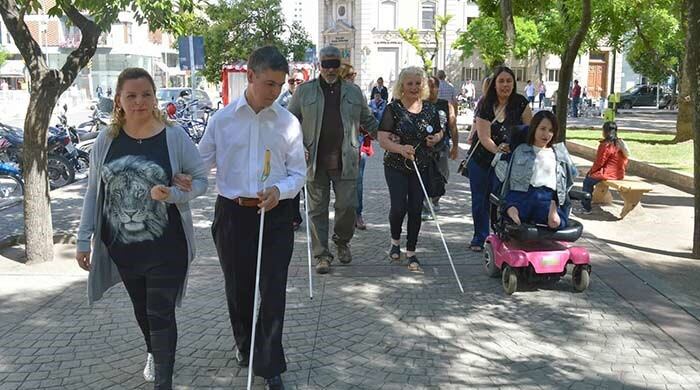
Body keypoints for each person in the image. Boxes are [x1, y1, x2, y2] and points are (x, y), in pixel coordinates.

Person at [76, 67, 208, 390]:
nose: (139, 102)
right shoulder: (106, 142)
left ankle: (164, 378)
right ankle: (154, 350)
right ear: (118, 100)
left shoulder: (173, 136)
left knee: (160, 310)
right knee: (142, 310)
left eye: (146, 94)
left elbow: (201, 180)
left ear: (155, 96)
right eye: (131, 96)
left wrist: (175, 193)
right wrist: (84, 239)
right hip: (123, 247)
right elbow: (94, 191)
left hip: (167, 245)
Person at [198, 46, 305, 390]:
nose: (275, 92)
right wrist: (178, 182)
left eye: (280, 85)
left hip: (275, 215)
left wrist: (280, 191)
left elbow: (299, 173)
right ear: (251, 75)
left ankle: (269, 362)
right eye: (269, 84)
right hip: (233, 215)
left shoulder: (289, 123)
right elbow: (199, 165)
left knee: (273, 291)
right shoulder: (222, 120)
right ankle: (245, 345)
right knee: (239, 290)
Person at [287, 45, 378, 274]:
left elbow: (369, 120)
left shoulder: (354, 92)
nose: (329, 69)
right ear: (319, 65)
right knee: (316, 210)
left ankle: (342, 241)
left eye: (334, 64)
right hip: (314, 161)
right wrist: (295, 147)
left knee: (347, 206)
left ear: (340, 65)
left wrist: (390, 138)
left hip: (346, 160)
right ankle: (321, 255)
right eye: (325, 64)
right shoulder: (304, 92)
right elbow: (288, 122)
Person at [378, 66, 443, 271]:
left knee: (416, 208)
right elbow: (382, 139)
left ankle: (411, 251)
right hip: (396, 165)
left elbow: (441, 133)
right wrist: (400, 148)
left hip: (421, 165)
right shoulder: (393, 109)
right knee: (399, 207)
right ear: (402, 86)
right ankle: (395, 241)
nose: (414, 87)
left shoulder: (430, 109)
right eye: (410, 83)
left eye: (418, 83)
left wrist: (435, 138)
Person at [466, 65, 533, 252]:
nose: (505, 85)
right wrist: (498, 149)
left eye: (509, 81)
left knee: (503, 199)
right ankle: (480, 237)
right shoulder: (485, 104)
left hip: (509, 162)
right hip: (481, 159)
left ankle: (501, 236)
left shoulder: (521, 103)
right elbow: (484, 136)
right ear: (494, 84)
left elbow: (531, 131)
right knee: (480, 200)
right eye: (501, 81)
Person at [503, 110, 576, 229]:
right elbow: (508, 179)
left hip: (546, 197)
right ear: (534, 128)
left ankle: (552, 211)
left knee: (555, 222)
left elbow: (570, 177)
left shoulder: (560, 153)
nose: (546, 134)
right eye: (542, 129)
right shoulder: (521, 150)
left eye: (551, 130)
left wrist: (558, 199)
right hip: (522, 193)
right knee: (513, 210)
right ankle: (513, 212)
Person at [341, 63, 372, 231]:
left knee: (358, 180)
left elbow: (368, 118)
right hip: (334, 146)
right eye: (350, 75)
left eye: (354, 74)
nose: (353, 77)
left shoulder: (359, 94)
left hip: (356, 141)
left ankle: (357, 213)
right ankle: (343, 214)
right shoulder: (332, 94)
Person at [423, 75, 458, 220]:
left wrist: (455, 146)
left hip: (442, 146)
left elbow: (452, 126)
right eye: (428, 85)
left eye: (434, 85)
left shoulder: (446, 105)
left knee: (443, 174)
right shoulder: (420, 104)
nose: (431, 89)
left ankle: (435, 200)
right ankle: (426, 205)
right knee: (425, 175)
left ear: (438, 88)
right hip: (424, 147)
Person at [578, 121, 630, 214]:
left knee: (587, 182)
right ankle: (593, 200)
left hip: (608, 173)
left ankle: (586, 207)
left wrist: (591, 172)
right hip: (619, 174)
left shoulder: (605, 145)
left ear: (605, 131)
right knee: (590, 178)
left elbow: (599, 162)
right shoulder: (619, 143)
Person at [277, 70, 306, 230]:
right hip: (290, 146)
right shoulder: (282, 100)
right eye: (292, 81)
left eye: (299, 81)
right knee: (293, 183)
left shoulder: (307, 96)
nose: (295, 84)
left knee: (307, 184)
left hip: (307, 144)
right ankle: (294, 217)